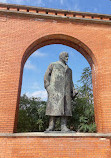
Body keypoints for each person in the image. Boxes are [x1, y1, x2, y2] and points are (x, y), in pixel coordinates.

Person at [44, 52, 78, 132]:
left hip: (66, 91)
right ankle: (51, 126)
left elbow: (71, 81)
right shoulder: (53, 65)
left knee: (66, 108)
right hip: (55, 90)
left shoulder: (69, 69)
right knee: (53, 108)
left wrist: (73, 89)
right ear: (61, 57)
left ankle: (64, 126)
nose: (67, 58)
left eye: (68, 56)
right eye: (66, 56)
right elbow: (46, 76)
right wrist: (48, 87)